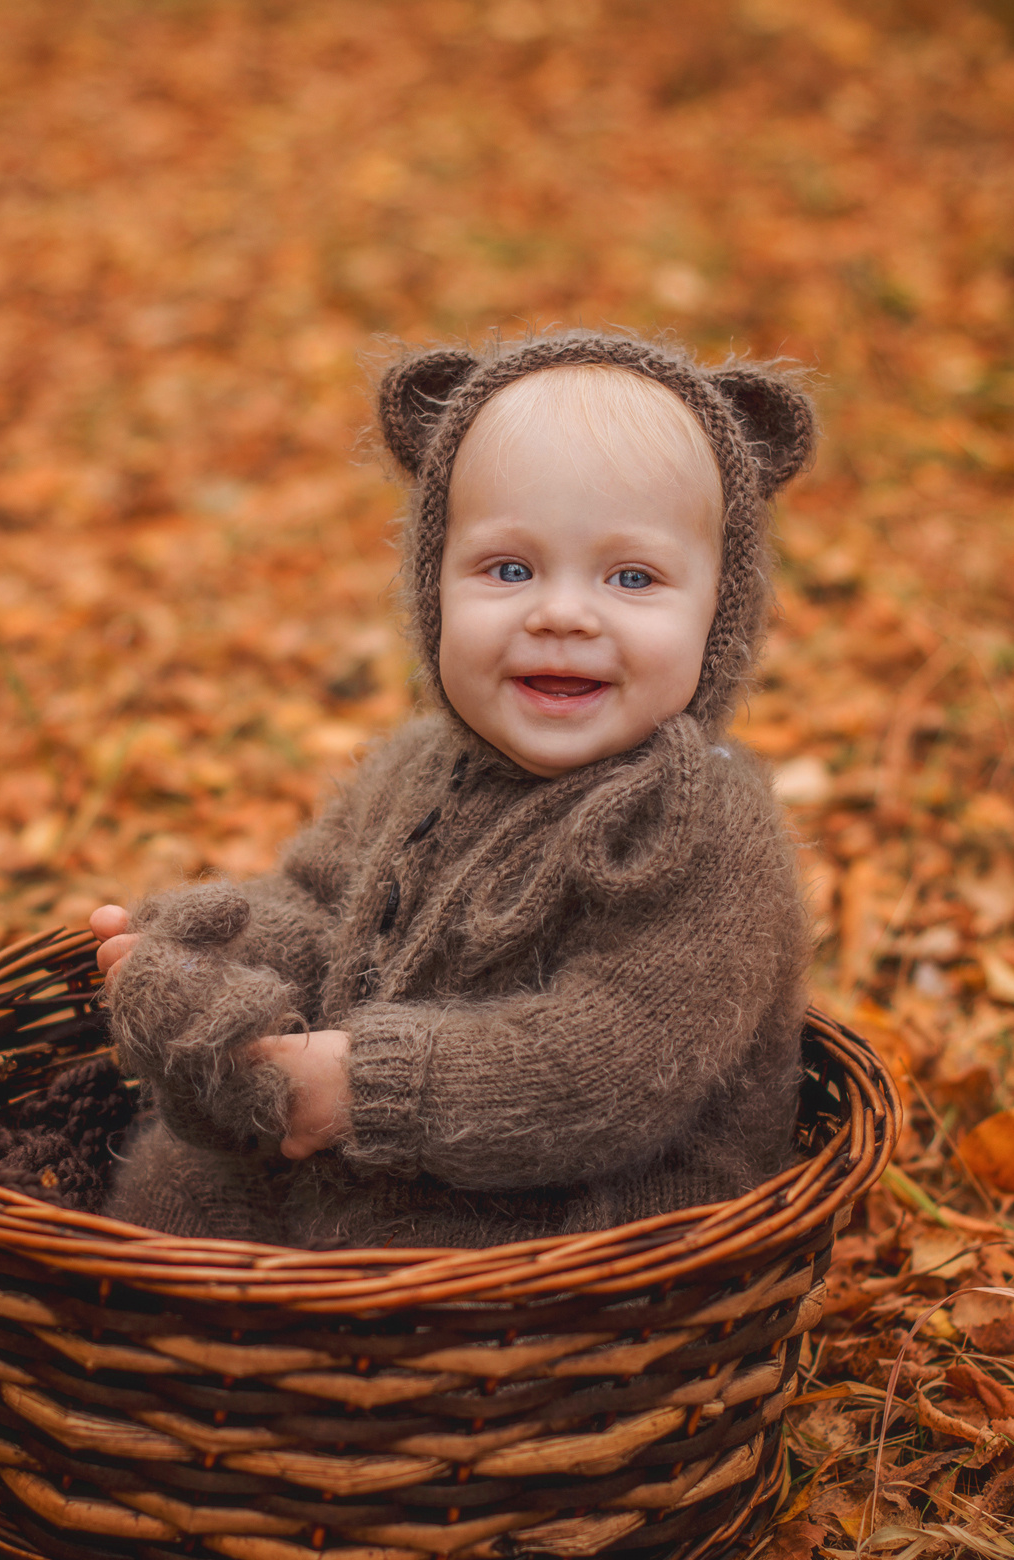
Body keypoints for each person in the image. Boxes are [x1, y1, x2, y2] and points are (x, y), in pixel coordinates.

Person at [88, 331, 817, 1247]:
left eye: (632, 577)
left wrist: (363, 1087)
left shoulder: (701, 827)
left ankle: (320, 1372)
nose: (560, 613)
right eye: (508, 569)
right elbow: (320, 911)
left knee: (399, 1270)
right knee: (179, 1175)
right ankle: (140, 1348)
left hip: (583, 1218)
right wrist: (213, 951)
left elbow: (607, 1063)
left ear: (721, 611)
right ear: (435, 588)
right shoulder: (419, 766)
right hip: (379, 1158)